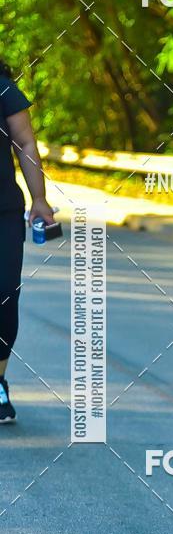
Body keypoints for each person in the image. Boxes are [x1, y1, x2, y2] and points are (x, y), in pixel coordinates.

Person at [0, 60, 55, 423]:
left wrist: (39, 198)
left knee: (4, 295)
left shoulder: (2, 87)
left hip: (2, 211)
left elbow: (24, 141)